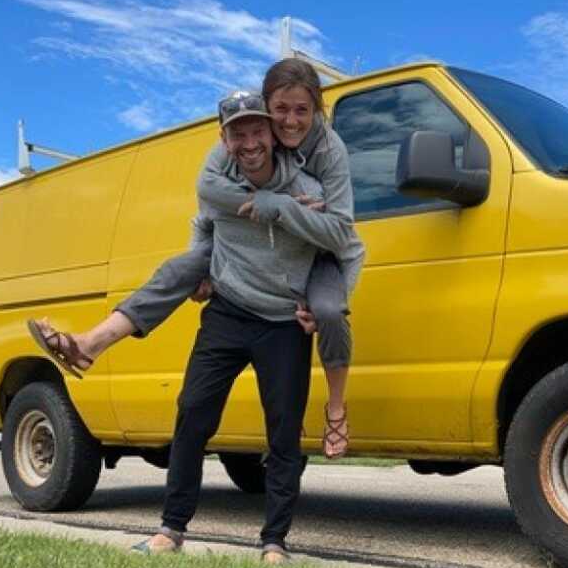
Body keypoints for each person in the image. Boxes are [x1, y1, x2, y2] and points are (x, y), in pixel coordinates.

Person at [28, 58, 365, 458]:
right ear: (265, 107)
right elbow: (207, 197)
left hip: (319, 254)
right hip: (247, 249)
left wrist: (280, 206)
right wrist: (214, 252)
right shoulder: (243, 141)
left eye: (302, 110)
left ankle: (337, 408)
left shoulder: (329, 150)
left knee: (328, 311)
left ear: (316, 110)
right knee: (181, 267)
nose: (290, 121)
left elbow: (343, 234)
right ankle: (89, 344)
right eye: (281, 110)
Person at [132, 90, 355, 561]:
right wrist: (201, 273)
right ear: (224, 139)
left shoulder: (311, 191)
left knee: (283, 432)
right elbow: (203, 226)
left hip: (282, 320)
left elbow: (340, 244)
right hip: (228, 313)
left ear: (273, 134)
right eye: (238, 133)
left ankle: (275, 541)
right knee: (192, 413)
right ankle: (171, 529)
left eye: (257, 130)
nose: (249, 141)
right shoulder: (217, 183)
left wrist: (325, 298)